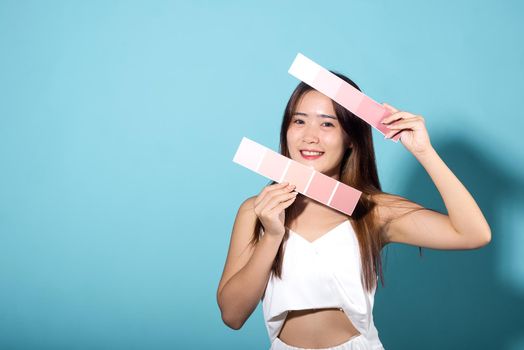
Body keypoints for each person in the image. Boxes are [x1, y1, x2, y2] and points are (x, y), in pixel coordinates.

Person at [216, 72, 491, 350]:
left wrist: (424, 152)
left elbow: (473, 234)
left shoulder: (372, 210)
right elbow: (232, 316)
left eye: (327, 124)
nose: (310, 136)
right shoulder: (256, 210)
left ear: (350, 138)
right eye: (299, 121)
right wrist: (272, 235)